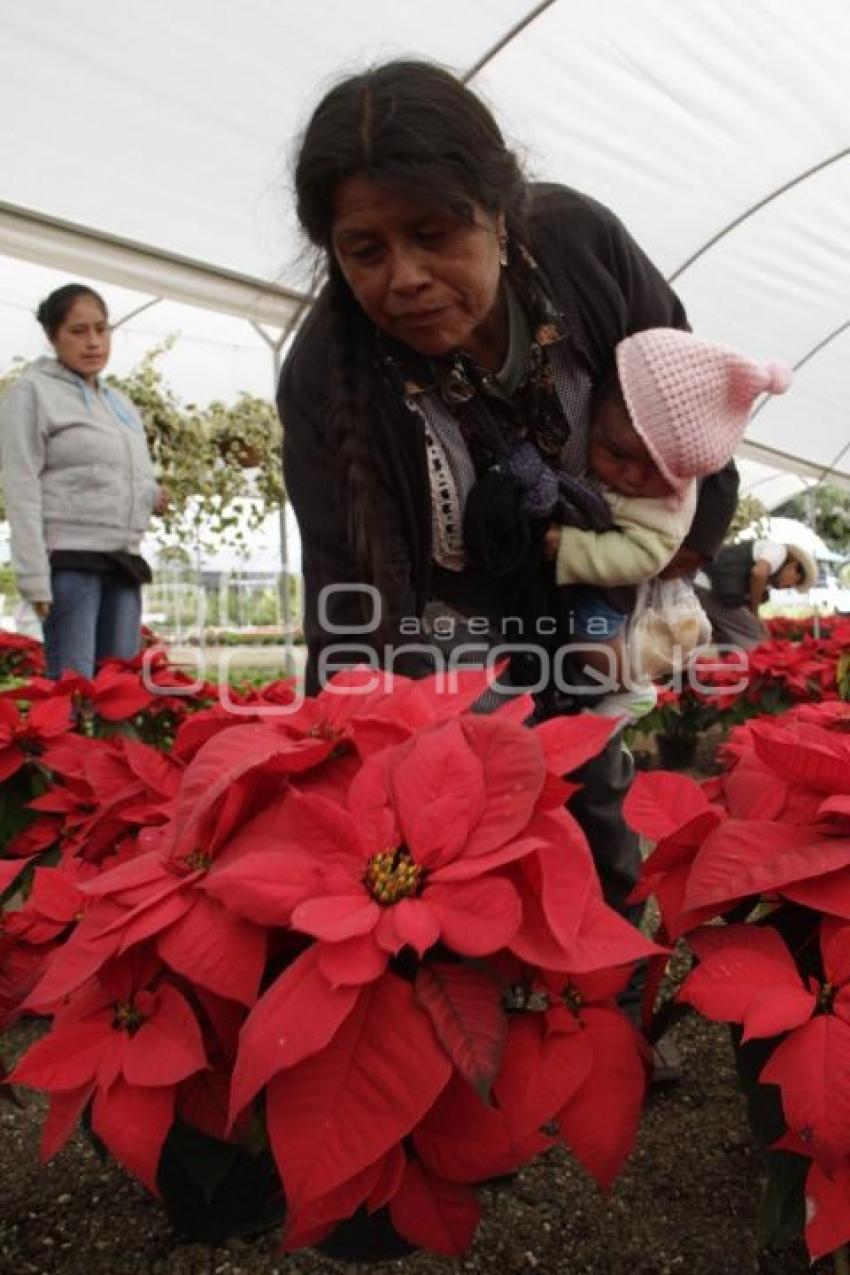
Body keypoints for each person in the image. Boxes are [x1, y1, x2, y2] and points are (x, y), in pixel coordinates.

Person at [279, 60, 738, 942]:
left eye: (434, 233)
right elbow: (345, 587)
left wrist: (665, 560)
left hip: (598, 574)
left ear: (498, 211)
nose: (405, 277)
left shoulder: (578, 244)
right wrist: (335, 748)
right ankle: (497, 979)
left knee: (594, 785)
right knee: (478, 799)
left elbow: (693, 396)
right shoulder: (322, 374)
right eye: (365, 251)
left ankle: (604, 975)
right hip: (453, 615)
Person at [528, 328, 791, 718]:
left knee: (591, 634)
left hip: (608, 589)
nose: (633, 478)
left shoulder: (668, 505)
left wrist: (569, 546)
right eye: (616, 452)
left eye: (659, 470)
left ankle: (630, 690)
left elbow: (645, 556)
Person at [0, 284, 166, 678]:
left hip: (122, 559)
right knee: (73, 693)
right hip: (70, 563)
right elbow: (21, 486)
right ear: (52, 336)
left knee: (119, 689)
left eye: (101, 329)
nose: (93, 342)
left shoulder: (119, 404)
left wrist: (150, 494)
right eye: (78, 331)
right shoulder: (33, 393)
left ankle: (114, 744)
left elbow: (117, 472)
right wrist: (34, 579)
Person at [694, 538, 817, 648]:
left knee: (730, 642)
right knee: (754, 636)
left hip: (708, 588)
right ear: (793, 567)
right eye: (794, 583)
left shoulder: (770, 560)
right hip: (709, 587)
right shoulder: (778, 551)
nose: (788, 587)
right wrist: (754, 612)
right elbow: (759, 572)